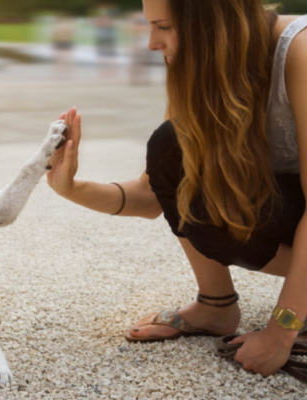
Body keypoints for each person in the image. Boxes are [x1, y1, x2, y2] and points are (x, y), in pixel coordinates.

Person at [47, 0, 307, 378]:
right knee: (173, 150)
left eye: (164, 27)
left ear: (213, 23)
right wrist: (70, 187)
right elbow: (155, 194)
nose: (152, 43)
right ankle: (216, 305)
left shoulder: (299, 50)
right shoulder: (204, 69)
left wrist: (281, 331)